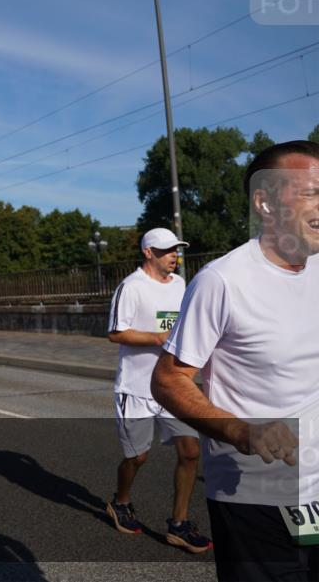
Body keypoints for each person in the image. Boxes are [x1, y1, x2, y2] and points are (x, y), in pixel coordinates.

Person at [152, 141, 319, 581]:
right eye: (310, 192)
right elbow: (169, 380)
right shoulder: (223, 281)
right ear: (263, 201)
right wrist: (240, 430)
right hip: (257, 489)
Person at [104, 228, 211, 553]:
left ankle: (178, 524)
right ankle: (121, 502)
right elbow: (116, 333)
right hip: (136, 389)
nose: (173, 256)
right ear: (148, 252)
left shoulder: (181, 285)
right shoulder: (131, 287)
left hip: (172, 386)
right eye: (167, 251)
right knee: (137, 457)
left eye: (176, 250)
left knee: (191, 452)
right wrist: (156, 338)